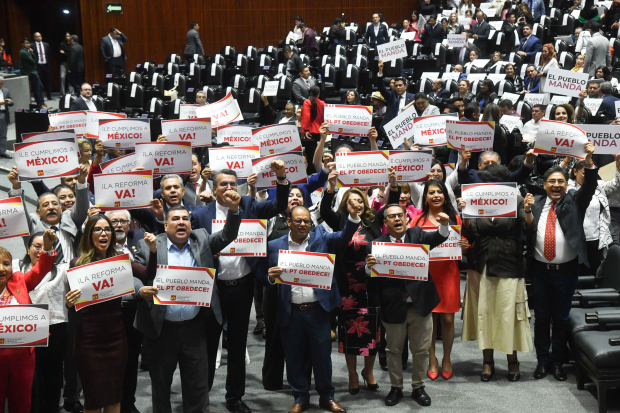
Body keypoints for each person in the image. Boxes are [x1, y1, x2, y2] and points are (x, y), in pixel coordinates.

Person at [189, 164, 289, 413]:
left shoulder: (250, 206)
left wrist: (281, 178)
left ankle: (234, 396)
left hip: (241, 286)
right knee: (209, 344)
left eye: (233, 184)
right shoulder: (201, 214)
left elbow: (278, 206)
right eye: (223, 184)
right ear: (214, 188)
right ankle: (202, 395)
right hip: (212, 289)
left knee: (236, 344)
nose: (229, 188)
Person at [134, 198, 241, 413]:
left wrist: (234, 210)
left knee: (197, 387)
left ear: (190, 224)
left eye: (185, 219)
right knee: (161, 386)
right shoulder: (151, 246)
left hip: (194, 328)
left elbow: (228, 235)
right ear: (166, 225)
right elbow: (134, 273)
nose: (181, 223)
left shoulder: (202, 239)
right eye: (175, 219)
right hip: (161, 330)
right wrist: (139, 290)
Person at [64, 215, 156, 413]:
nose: (103, 233)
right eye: (97, 229)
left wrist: (154, 251)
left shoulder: (120, 262)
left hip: (116, 338)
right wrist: (69, 302)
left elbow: (147, 274)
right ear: (89, 234)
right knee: (94, 399)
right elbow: (74, 306)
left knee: (114, 397)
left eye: (107, 229)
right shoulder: (77, 264)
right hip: (88, 340)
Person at [321, 170, 400, 395]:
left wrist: (392, 184)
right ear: (346, 204)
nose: (357, 203)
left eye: (360, 200)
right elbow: (325, 209)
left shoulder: (373, 219)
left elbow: (390, 206)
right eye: (352, 200)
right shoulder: (339, 220)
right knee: (349, 330)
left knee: (373, 330)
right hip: (347, 283)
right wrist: (331, 187)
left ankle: (368, 372)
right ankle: (353, 373)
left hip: (371, 281)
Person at [364, 204, 450, 407]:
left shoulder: (417, 234)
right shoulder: (375, 245)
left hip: (420, 304)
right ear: (385, 222)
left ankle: (418, 387)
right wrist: (368, 268)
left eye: (400, 216)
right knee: (394, 350)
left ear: (406, 218)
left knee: (420, 350)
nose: (396, 219)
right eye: (391, 217)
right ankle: (396, 388)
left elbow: (438, 237)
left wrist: (444, 225)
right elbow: (369, 275)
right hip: (393, 306)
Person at [527, 143, 597, 381]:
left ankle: (557, 362)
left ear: (567, 185)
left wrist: (588, 160)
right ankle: (542, 361)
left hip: (566, 272)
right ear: (544, 185)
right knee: (541, 318)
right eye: (552, 182)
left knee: (560, 318)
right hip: (539, 271)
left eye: (561, 182)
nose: (556, 185)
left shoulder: (575, 201)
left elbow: (589, 186)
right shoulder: (535, 204)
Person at [461, 164, 533, 382]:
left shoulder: (517, 198)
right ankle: (487, 362)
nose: (486, 185)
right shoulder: (475, 197)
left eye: (490, 180)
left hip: (509, 262)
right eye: (484, 181)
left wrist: (529, 210)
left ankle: (512, 361)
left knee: (508, 313)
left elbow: (528, 228)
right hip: (481, 261)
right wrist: (465, 215)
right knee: (485, 313)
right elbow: (470, 233)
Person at [411, 180, 467, 381]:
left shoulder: (457, 219)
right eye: (431, 192)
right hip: (427, 275)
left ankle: (447, 359)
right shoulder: (416, 221)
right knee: (430, 321)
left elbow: (464, 245)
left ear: (445, 195)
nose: (436, 195)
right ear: (425, 197)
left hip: (448, 274)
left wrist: (464, 246)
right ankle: (432, 358)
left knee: (448, 320)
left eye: (439, 192)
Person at [0, 230, 56, 413]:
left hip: (23, 356)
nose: (2, 269)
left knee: (22, 403)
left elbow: (40, 270)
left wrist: (47, 248)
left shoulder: (18, 281)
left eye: (6, 264)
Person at [102, 210, 147, 413]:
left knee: (131, 360)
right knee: (108, 364)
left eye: (123, 221)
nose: (119, 225)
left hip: (132, 312)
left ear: (130, 225)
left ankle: (128, 403)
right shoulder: (100, 249)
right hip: (106, 316)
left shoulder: (137, 246)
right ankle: (109, 404)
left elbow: (145, 274)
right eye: (114, 221)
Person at [8, 165, 90, 265]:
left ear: (61, 208)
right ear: (38, 212)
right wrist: (16, 186)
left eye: (55, 204)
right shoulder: (33, 224)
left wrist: (81, 181)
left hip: (71, 274)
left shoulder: (69, 218)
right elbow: (20, 213)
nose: (51, 207)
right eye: (45, 205)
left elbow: (82, 208)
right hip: (43, 277)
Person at [568, 158, 618, 277]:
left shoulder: (598, 186)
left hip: (595, 238)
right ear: (575, 172)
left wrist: (618, 168)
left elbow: (615, 183)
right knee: (574, 272)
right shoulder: (567, 187)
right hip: (575, 239)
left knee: (592, 271)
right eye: (584, 172)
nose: (588, 176)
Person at [19, 37, 48, 109]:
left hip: (34, 71)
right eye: (26, 43)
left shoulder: (28, 51)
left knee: (40, 87)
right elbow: (33, 61)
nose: (28, 45)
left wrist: (32, 53)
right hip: (30, 72)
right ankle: (40, 104)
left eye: (28, 43)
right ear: (22, 44)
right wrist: (31, 54)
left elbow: (35, 59)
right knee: (37, 88)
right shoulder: (23, 52)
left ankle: (43, 103)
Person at [32, 32, 52, 101]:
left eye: (40, 36)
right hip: (37, 66)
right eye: (37, 36)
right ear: (34, 38)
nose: (39, 37)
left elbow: (48, 54)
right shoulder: (32, 45)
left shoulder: (46, 45)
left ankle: (49, 96)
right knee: (37, 83)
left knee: (47, 82)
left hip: (45, 65)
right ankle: (39, 97)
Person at [0, 76, 13, 159]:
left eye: (1, 83)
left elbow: (12, 102)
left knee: (3, 134)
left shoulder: (5, 91)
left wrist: (9, 102)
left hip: (3, 114)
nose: (0, 85)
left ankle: (2, 152)